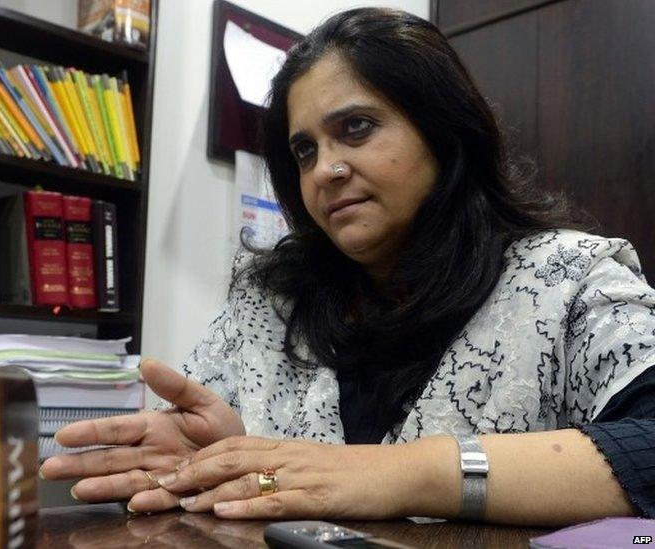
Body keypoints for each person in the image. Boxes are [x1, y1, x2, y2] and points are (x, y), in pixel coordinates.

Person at [39, 7, 655, 525]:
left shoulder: (570, 277)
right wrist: (224, 453)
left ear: (444, 132)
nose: (325, 170)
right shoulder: (268, 303)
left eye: (356, 128)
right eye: (304, 150)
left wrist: (397, 475)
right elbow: (226, 465)